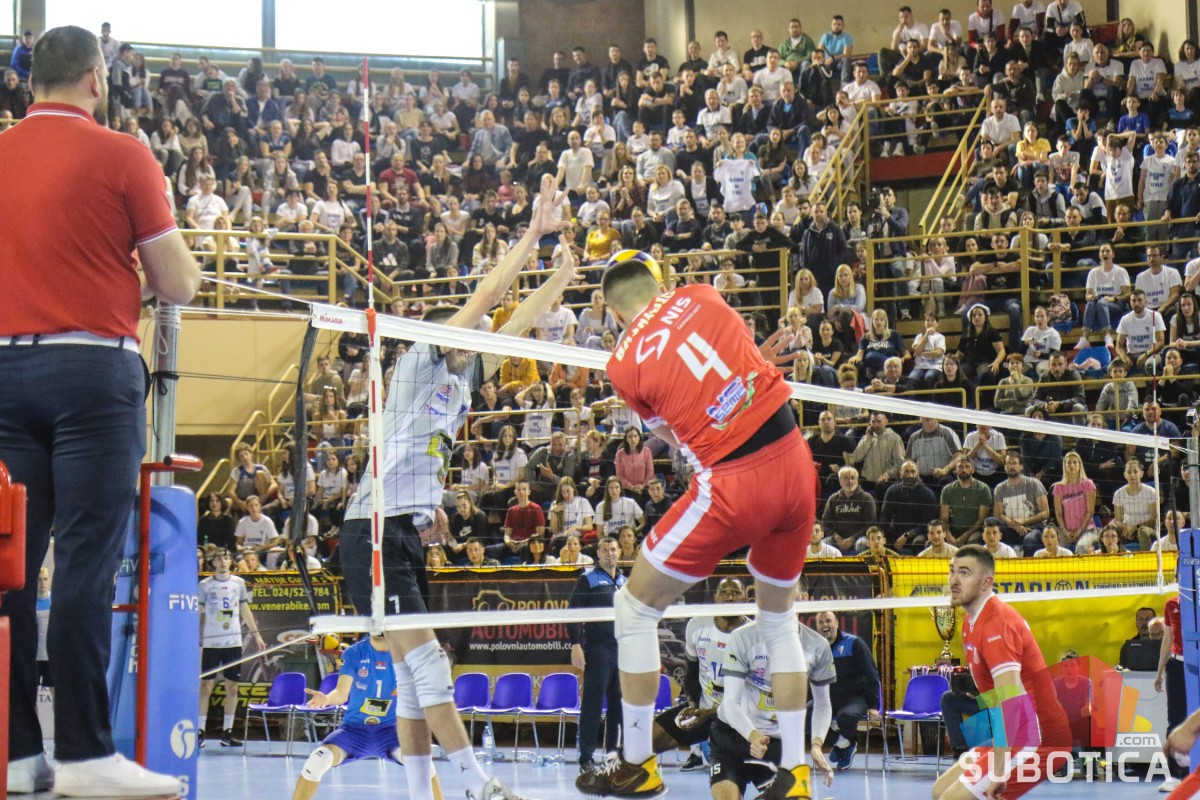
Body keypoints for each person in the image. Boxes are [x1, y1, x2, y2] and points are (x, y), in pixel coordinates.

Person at [0, 26, 201, 799]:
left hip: (5, 373)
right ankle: (85, 753)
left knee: (8, 568)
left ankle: (18, 755)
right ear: (95, 79)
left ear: (30, 83)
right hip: (91, 373)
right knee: (85, 561)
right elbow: (178, 282)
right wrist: (126, 278)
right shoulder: (123, 154)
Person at [338, 175, 575, 800]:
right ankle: (478, 783)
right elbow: (491, 294)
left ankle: (423, 793)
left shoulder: (464, 379)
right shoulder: (421, 357)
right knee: (430, 665)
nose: (481, 340)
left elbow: (516, 320)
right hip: (371, 531)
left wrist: (562, 276)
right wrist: (534, 232)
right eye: (472, 332)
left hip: (403, 533)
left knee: (413, 681)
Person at [577, 254, 819, 800]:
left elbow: (671, 432)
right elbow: (728, 370)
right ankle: (795, 773)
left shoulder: (623, 363)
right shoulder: (703, 295)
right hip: (795, 462)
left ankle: (637, 763)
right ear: (660, 283)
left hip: (734, 480)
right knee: (779, 624)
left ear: (614, 313)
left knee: (633, 609)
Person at [932, 546, 1072, 800]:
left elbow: (1010, 701)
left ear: (987, 582)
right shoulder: (970, 622)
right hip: (1017, 728)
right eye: (952, 571)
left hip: (1038, 737)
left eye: (964, 573)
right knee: (939, 791)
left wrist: (999, 770)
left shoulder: (997, 623)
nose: (954, 580)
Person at [292, 634, 443, 800]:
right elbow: (341, 693)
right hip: (354, 731)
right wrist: (326, 699)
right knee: (318, 760)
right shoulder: (354, 653)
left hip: (391, 732)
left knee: (423, 763)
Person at [711, 614, 836, 799]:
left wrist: (816, 745)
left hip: (776, 744)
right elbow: (730, 703)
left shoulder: (818, 645)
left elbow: (823, 703)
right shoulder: (743, 637)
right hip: (732, 737)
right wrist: (753, 736)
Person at [198, 549, 265, 748]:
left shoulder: (239, 583)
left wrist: (257, 635)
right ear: (213, 562)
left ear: (230, 561)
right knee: (206, 687)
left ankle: (227, 732)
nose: (222, 562)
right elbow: (198, 612)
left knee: (232, 687)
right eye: (218, 558)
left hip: (233, 642)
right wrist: (195, 637)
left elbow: (245, 609)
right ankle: (200, 732)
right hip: (211, 642)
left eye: (226, 558)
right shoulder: (205, 585)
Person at [570, 537, 626, 771]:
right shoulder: (588, 579)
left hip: (621, 649)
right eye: (605, 550)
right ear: (598, 554)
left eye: (613, 549)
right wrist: (575, 644)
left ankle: (614, 755)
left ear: (619, 552)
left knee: (618, 705)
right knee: (592, 704)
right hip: (598, 648)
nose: (609, 553)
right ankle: (586, 758)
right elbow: (573, 612)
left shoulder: (624, 581)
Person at [813, 610, 880, 770]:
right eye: (821, 622)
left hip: (855, 698)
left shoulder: (854, 643)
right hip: (829, 699)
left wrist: (873, 705)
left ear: (836, 623)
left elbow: (871, 673)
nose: (825, 625)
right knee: (805, 714)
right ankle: (843, 743)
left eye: (828, 621)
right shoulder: (816, 649)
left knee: (846, 717)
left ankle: (845, 744)